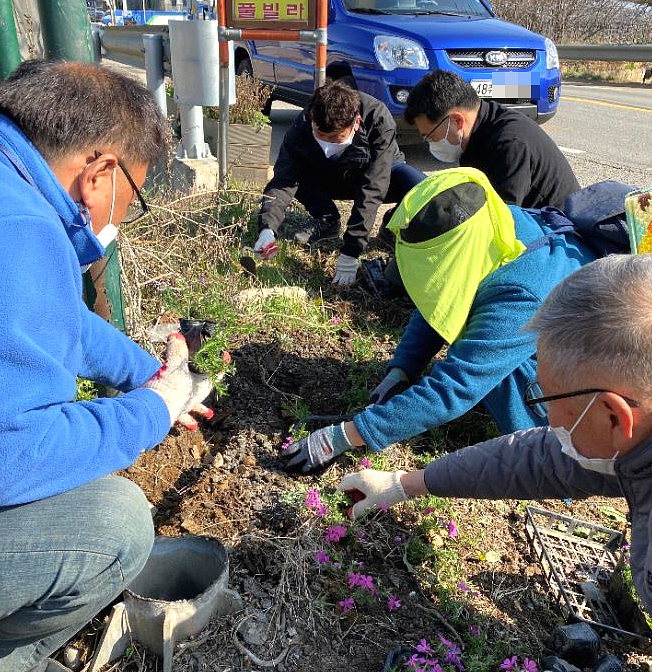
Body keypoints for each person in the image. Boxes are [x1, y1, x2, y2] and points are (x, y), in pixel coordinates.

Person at [336, 254, 652, 672]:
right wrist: (406, 483)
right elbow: (543, 460)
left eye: (550, 402)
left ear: (615, 415)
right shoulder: (638, 436)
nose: (548, 423)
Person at [0, 60, 214, 672]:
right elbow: (2, 461)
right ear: (98, 170)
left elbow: (49, 317)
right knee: (115, 525)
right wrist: (153, 410)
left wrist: (151, 375)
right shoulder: (17, 230)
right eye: (129, 195)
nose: (118, 216)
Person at [282, 167, 596, 475]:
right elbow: (444, 301)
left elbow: (456, 388)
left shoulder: (522, 293)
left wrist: (345, 435)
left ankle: (556, 456)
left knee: (491, 369)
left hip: (592, 393)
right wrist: (402, 369)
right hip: (554, 337)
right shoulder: (495, 224)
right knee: (480, 337)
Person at [254, 80, 424, 286]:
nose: (328, 144)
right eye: (320, 135)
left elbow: (373, 187)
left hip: (378, 172)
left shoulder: (378, 118)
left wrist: (351, 250)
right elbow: (283, 180)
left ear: (357, 123)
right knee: (297, 174)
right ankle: (327, 219)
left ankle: (393, 223)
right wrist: (267, 228)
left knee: (420, 188)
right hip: (329, 175)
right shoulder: (304, 123)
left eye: (336, 138)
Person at [404, 70, 580, 210]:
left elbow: (500, 220)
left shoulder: (509, 144)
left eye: (431, 136)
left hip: (559, 235)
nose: (431, 144)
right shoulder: (480, 129)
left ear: (457, 121)